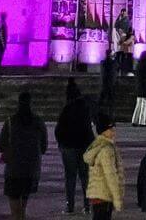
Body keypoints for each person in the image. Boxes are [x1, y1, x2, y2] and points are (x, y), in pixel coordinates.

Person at [0, 91, 47, 220]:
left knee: (15, 212)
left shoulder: (11, 122)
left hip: (14, 170)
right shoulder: (38, 122)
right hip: (31, 170)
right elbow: (44, 148)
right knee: (22, 210)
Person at [55, 78, 95, 215]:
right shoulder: (85, 109)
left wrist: (61, 143)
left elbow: (59, 129)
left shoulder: (67, 109)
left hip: (69, 147)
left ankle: (70, 206)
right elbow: (89, 131)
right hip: (83, 146)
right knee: (85, 177)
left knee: (70, 177)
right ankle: (87, 205)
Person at [83, 112, 123, 220]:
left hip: (97, 194)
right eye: (111, 129)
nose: (113, 132)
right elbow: (110, 175)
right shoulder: (106, 149)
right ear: (104, 131)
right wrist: (117, 198)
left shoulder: (97, 145)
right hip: (105, 195)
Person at [134, 50, 146, 127]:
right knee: (144, 105)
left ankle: (134, 120)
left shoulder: (138, 64)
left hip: (139, 86)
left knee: (138, 104)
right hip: (145, 86)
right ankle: (142, 121)